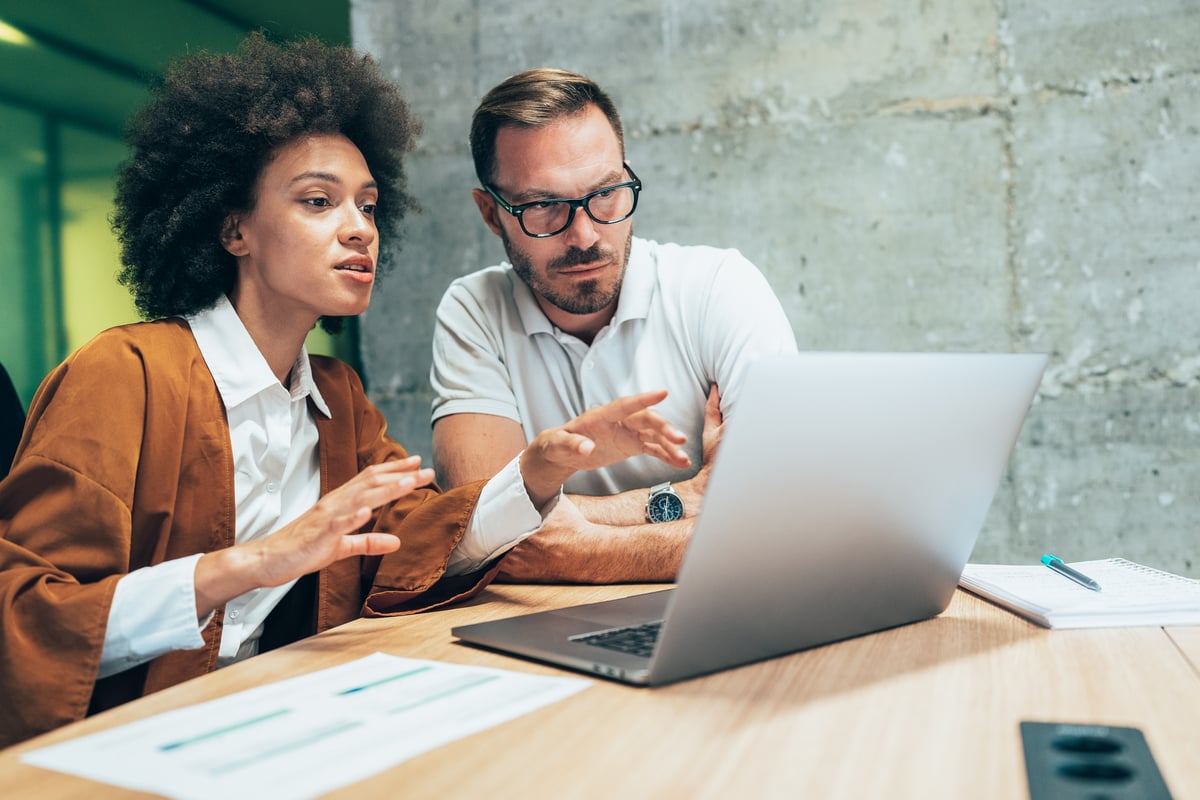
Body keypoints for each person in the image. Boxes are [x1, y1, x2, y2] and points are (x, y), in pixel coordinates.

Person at [0, 38, 690, 748]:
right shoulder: (123, 374)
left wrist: (538, 469)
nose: (359, 228)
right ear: (233, 226)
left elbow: (414, 541)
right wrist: (248, 565)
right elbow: (25, 622)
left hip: (281, 727)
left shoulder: (336, 397)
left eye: (366, 204)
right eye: (318, 201)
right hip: (126, 750)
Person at [430, 68, 797, 584]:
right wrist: (687, 497)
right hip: (545, 624)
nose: (584, 235)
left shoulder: (718, 286)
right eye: (543, 206)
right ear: (491, 214)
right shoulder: (475, 309)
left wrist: (582, 549)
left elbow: (783, 518)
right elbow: (475, 531)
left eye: (606, 194)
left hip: (718, 603)